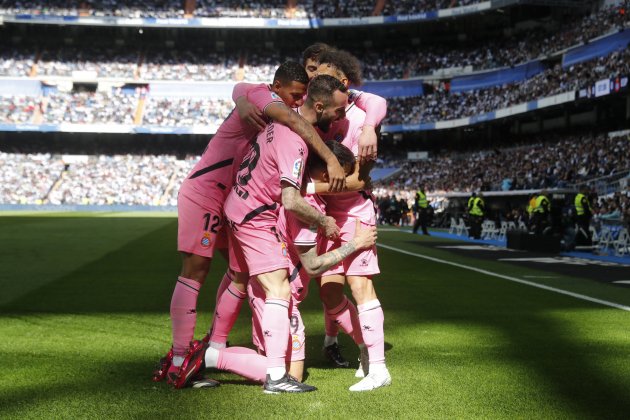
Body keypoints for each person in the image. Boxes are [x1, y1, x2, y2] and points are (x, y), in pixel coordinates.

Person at [154, 62, 346, 388]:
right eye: (293, 95)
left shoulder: (273, 110)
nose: (295, 103)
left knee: (239, 276)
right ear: (277, 87)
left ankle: (211, 350)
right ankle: (179, 360)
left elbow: (256, 100)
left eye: (301, 96)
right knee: (196, 270)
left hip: (233, 199)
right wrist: (328, 157)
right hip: (207, 190)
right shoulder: (265, 99)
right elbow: (275, 109)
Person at [190, 141, 377, 389]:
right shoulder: (308, 211)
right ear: (326, 174)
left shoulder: (304, 193)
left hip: (267, 291)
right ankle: (210, 357)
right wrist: (355, 243)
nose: (346, 183)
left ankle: (213, 355)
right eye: (342, 175)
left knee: (272, 361)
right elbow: (312, 266)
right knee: (291, 375)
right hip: (279, 298)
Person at [311, 48, 391, 391]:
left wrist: (311, 186)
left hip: (355, 211)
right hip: (325, 217)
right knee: (330, 294)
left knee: (360, 287)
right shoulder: (315, 120)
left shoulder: (360, 121)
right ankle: (364, 348)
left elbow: (361, 178)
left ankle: (379, 368)